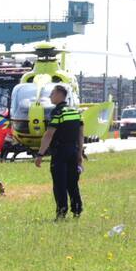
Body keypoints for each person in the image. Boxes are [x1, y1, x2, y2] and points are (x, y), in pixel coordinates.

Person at [35, 84, 84, 220]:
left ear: (60, 95)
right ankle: (77, 210)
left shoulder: (58, 112)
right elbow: (81, 134)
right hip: (73, 151)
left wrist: (40, 154)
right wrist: (80, 153)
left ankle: (61, 213)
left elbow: (49, 135)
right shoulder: (75, 111)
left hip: (60, 152)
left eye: (52, 94)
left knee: (60, 184)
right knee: (72, 183)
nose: (50, 96)